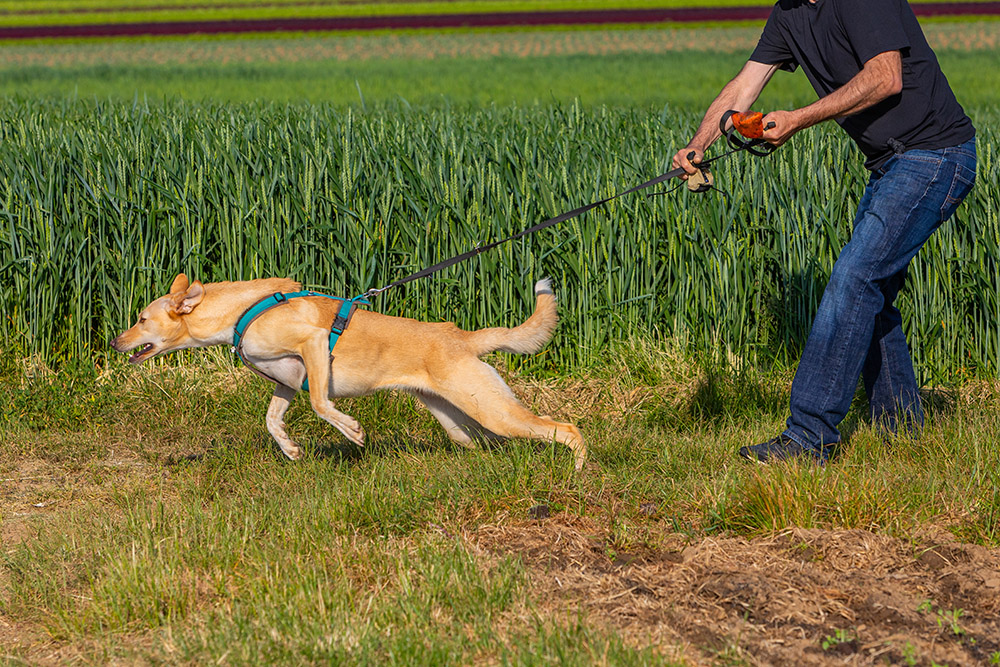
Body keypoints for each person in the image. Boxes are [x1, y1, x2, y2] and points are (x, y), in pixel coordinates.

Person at [672, 0, 977, 464]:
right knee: (869, 293)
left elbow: (886, 76)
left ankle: (810, 436)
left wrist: (797, 118)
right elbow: (745, 84)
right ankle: (904, 427)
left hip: (935, 155)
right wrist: (699, 144)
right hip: (889, 164)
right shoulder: (788, 13)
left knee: (854, 279)